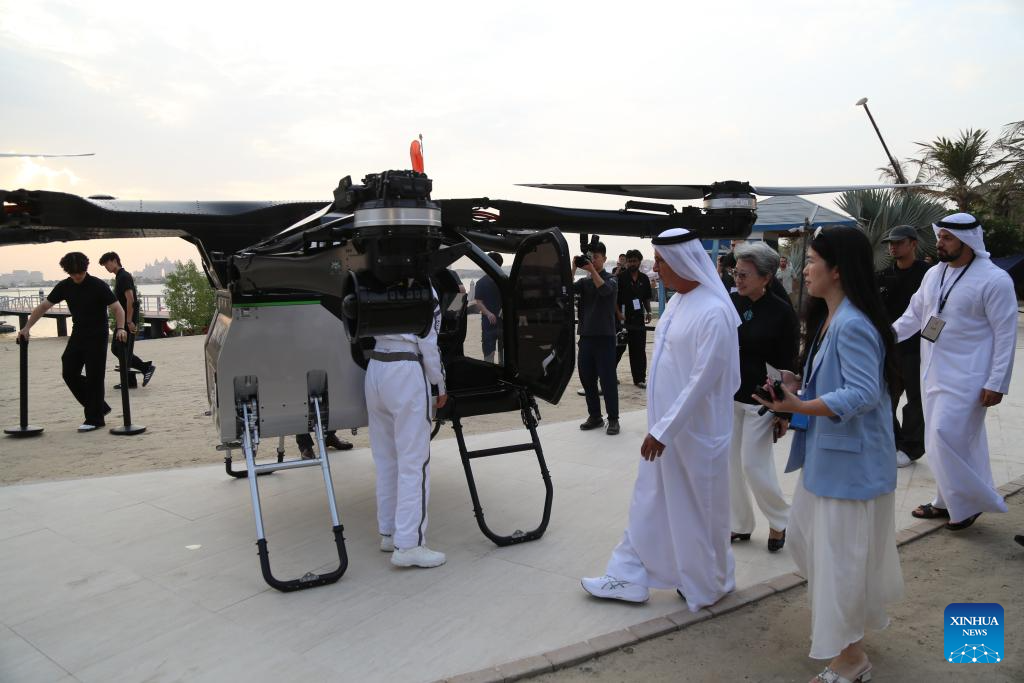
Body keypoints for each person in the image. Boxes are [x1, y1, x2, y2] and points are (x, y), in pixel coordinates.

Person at [754, 226, 903, 683]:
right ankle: (849, 637)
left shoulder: (853, 323)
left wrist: (797, 406)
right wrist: (799, 388)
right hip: (829, 460)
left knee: (839, 561)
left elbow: (861, 393)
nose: (805, 269)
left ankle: (852, 657)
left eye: (813, 261)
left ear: (837, 270)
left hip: (850, 466)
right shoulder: (833, 318)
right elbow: (843, 385)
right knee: (808, 545)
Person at [581, 227, 740, 609]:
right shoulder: (679, 303)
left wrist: (664, 431)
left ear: (685, 262)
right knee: (649, 501)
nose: (658, 270)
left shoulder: (714, 311)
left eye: (664, 262)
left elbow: (704, 380)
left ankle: (708, 582)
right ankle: (629, 575)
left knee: (697, 514)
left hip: (692, 437)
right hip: (666, 434)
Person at [895, 213, 1017, 531]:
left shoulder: (994, 279)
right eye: (940, 236)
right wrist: (881, 339)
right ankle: (945, 500)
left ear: (968, 241)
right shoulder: (934, 274)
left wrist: (997, 382)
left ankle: (971, 503)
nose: (940, 243)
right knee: (945, 442)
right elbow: (913, 315)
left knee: (942, 436)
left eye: (947, 238)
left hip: (971, 377)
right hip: (933, 372)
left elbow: (1006, 336)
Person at [365, 286, 448, 568]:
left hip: (376, 367)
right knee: (414, 463)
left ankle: (389, 532)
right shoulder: (423, 288)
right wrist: (439, 382)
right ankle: (409, 544)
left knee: (386, 460)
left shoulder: (372, 279)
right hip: (406, 368)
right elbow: (429, 340)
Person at [728, 242, 798, 553]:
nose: (738, 279)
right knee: (729, 465)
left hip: (762, 400)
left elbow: (788, 368)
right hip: (729, 396)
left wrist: (785, 414)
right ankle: (740, 523)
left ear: (766, 277)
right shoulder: (731, 302)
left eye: (744, 274)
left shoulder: (783, 313)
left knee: (753, 465)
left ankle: (780, 520)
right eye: (735, 272)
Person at [18, 252, 128, 431]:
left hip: (98, 334)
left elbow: (118, 308)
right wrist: (27, 327)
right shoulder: (65, 286)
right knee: (68, 370)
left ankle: (95, 419)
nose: (77, 276)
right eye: (73, 273)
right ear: (67, 272)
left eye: (80, 272)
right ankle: (99, 407)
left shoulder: (97, 285)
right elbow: (44, 307)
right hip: (78, 333)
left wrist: (121, 328)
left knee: (95, 376)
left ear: (86, 269)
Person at [876, 226, 929, 468]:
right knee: (885, 397)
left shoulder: (929, 275)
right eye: (890, 242)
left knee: (915, 400)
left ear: (913, 244)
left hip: (918, 348)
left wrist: (930, 341)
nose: (892, 246)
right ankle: (893, 442)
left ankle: (911, 448)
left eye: (898, 242)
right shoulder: (882, 276)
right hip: (889, 348)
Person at [573, 241, 620, 435]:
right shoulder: (584, 282)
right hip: (586, 336)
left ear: (604, 259)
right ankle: (595, 416)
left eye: (596, 258)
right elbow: (565, 290)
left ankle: (613, 419)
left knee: (608, 380)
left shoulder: (612, 279)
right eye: (591, 258)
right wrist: (573, 267)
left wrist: (592, 271)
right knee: (587, 379)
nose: (593, 261)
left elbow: (605, 291)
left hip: (605, 337)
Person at [98, 252, 156, 389]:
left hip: (127, 319)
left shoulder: (123, 277)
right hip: (125, 318)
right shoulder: (120, 276)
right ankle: (130, 381)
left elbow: (130, 299)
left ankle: (145, 367)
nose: (106, 267)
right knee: (123, 349)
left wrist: (129, 321)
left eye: (107, 263)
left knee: (118, 348)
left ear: (114, 260)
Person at [615, 249, 652, 387]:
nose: (632, 263)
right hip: (622, 319)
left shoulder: (644, 278)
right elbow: (614, 299)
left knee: (639, 349)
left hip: (638, 319)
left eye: (634, 261)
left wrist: (648, 312)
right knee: (618, 348)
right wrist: (618, 313)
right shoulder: (620, 278)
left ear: (639, 262)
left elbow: (646, 298)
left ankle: (639, 379)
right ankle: (610, 374)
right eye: (630, 261)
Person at [473, 252, 504, 363]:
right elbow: (479, 302)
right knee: (497, 354)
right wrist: (489, 313)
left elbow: (478, 303)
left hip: (490, 323)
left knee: (494, 355)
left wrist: (488, 313)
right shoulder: (505, 280)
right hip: (493, 323)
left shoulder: (481, 282)